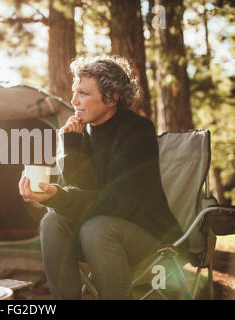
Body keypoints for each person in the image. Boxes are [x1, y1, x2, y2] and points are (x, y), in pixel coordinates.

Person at [18, 55, 185, 299]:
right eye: (74, 92)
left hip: (148, 235)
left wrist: (59, 196)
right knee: (51, 222)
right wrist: (72, 148)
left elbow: (118, 202)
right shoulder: (81, 133)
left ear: (112, 97)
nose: (74, 101)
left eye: (83, 93)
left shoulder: (137, 131)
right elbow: (82, 194)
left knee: (96, 227)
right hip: (96, 232)